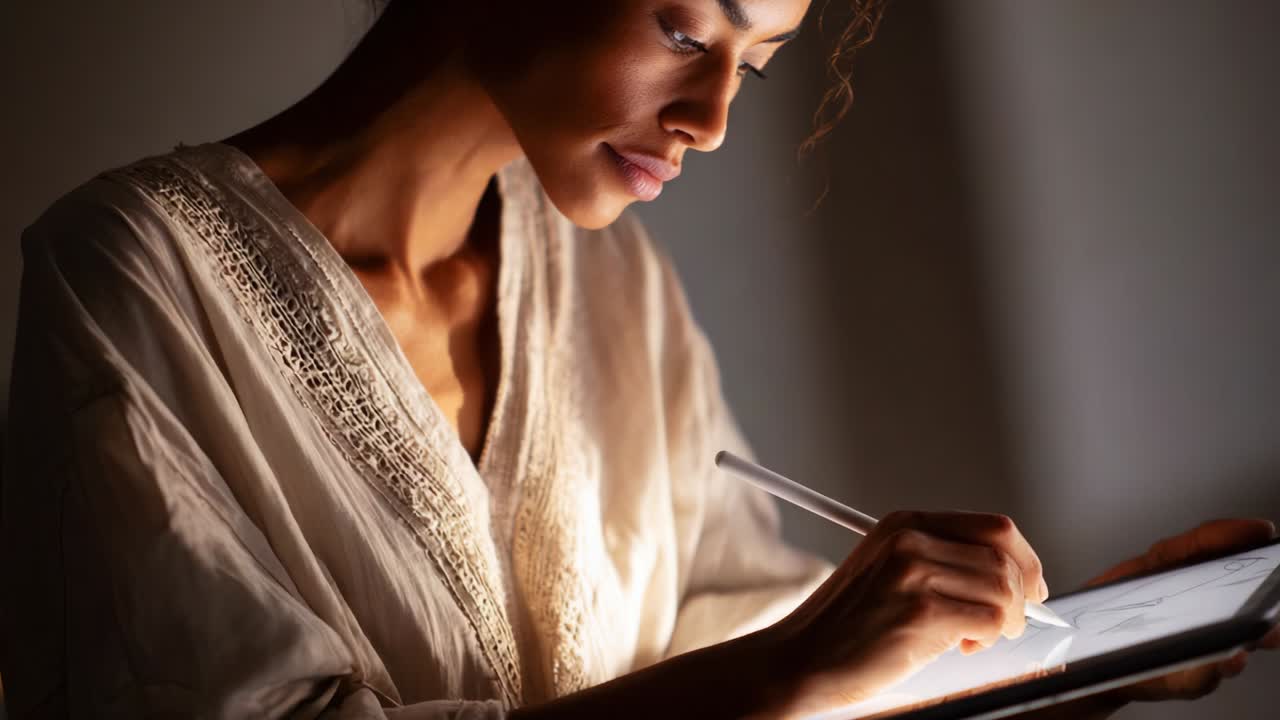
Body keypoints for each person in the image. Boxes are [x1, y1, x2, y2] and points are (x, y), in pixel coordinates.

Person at [3, 1, 1275, 718]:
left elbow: (746, 640)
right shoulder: (135, 273)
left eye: (754, 64)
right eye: (684, 28)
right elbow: (761, 682)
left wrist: (1067, 657)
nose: (714, 120)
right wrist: (786, 669)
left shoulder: (605, 278)